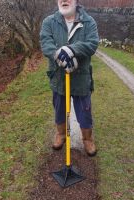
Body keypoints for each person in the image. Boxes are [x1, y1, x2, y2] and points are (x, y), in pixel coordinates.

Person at [40, 0, 99, 156]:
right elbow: (46, 43)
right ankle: (60, 134)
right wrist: (59, 54)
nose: (64, 0)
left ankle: (87, 139)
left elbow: (92, 44)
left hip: (81, 78)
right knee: (59, 109)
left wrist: (71, 50)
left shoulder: (88, 21)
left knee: (84, 112)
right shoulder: (49, 22)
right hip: (58, 77)